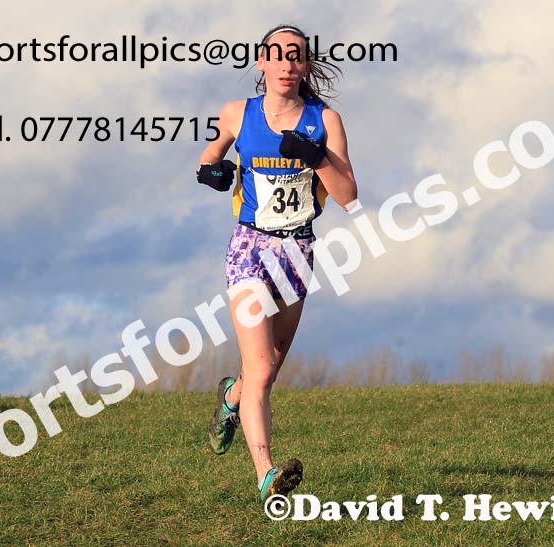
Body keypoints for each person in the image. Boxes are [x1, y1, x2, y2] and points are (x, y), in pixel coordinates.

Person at [195, 24, 358, 501]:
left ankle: (231, 398)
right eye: (277, 54)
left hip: (298, 252)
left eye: (296, 55)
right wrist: (213, 170)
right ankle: (267, 475)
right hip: (249, 248)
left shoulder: (325, 120)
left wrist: (316, 157)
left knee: (264, 369)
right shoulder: (236, 113)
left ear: (306, 65)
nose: (287, 63)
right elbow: (211, 153)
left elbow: (349, 196)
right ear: (261, 62)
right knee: (262, 369)